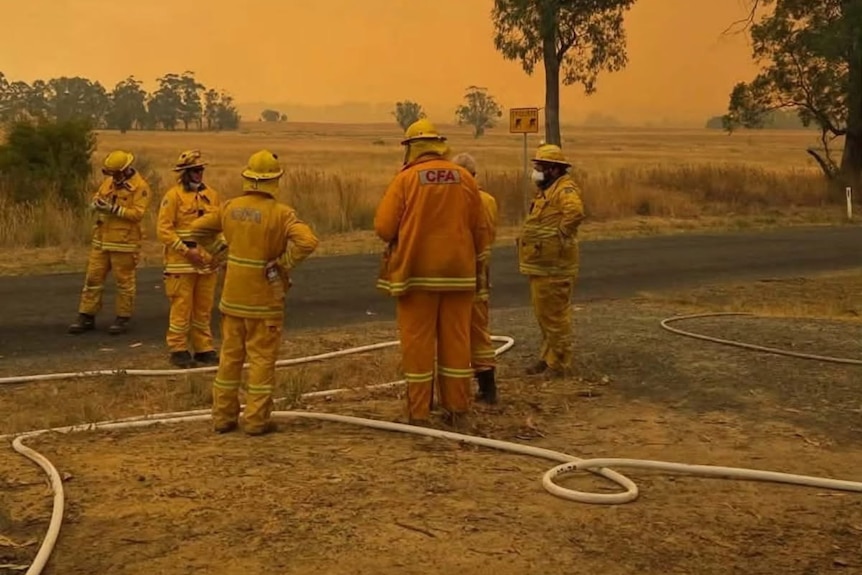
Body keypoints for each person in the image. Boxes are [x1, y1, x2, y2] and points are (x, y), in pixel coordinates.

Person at [189, 150, 319, 436]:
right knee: (261, 361)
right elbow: (308, 241)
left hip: (232, 300)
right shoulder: (281, 214)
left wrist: (220, 251)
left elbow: (197, 230)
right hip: (264, 302)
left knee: (229, 359)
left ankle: (223, 418)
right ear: (275, 180)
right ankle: (256, 421)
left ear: (248, 178)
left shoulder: (230, 207)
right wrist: (283, 263)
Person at [375, 119, 491, 427]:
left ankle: (420, 412)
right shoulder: (465, 178)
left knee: (418, 344)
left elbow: (384, 228)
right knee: (456, 341)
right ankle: (457, 406)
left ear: (412, 147)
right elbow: (480, 228)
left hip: (417, 275)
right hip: (460, 275)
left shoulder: (406, 179)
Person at [517, 143, 585, 378]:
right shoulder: (547, 190)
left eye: (541, 167)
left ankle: (560, 363)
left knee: (555, 316)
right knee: (544, 315)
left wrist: (561, 235)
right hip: (542, 264)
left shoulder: (565, 189)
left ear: (554, 170)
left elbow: (575, 213)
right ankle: (548, 358)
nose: (536, 172)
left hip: (555, 266)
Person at [68, 150, 152, 336]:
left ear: (124, 170)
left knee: (124, 282)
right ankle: (86, 316)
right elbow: (100, 196)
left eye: (114, 173)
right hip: (101, 240)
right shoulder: (109, 182)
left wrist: (113, 209)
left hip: (124, 242)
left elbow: (137, 214)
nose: (112, 177)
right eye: (109, 174)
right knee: (92, 279)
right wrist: (96, 204)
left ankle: (123, 318)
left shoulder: (140, 187)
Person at [156, 150, 226, 368]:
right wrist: (187, 251)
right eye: (195, 170)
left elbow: (218, 227)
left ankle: (204, 348)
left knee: (203, 309)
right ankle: (178, 350)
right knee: (181, 308)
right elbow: (163, 230)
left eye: (201, 170)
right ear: (185, 173)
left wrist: (220, 253)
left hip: (206, 264)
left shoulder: (212, 195)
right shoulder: (173, 196)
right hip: (181, 264)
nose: (199, 174)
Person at [451, 152, 499, 404]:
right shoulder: (489, 201)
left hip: (459, 274)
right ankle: (488, 388)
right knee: (480, 332)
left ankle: (457, 391)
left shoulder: (456, 202)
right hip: (482, 274)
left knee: (454, 332)